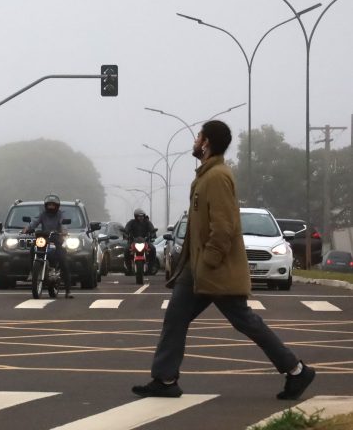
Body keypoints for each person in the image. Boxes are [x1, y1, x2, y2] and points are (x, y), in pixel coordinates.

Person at [131, 120, 315, 400]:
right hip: (199, 269)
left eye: (198, 136)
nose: (194, 141)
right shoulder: (206, 175)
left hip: (214, 269)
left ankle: (296, 370)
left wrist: (209, 261)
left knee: (245, 321)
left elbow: (224, 226)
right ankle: (165, 379)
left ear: (206, 143)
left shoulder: (217, 177)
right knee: (175, 319)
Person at [23, 194, 73, 299]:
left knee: (63, 259)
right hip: (44, 238)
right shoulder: (42, 214)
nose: (51, 207)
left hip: (56, 239)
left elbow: (63, 224)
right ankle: (33, 272)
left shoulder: (60, 215)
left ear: (57, 206)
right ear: (46, 206)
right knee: (33, 248)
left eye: (53, 205)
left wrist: (63, 231)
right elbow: (34, 222)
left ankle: (68, 290)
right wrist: (28, 228)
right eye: (49, 205)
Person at [123, 208, 157, 273]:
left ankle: (150, 268)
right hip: (133, 241)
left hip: (145, 241)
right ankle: (129, 268)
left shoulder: (147, 222)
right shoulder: (131, 222)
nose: (141, 217)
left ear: (144, 216)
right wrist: (125, 234)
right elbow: (126, 229)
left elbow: (152, 230)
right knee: (126, 250)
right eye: (139, 216)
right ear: (136, 216)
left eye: (142, 216)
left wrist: (153, 234)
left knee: (153, 249)